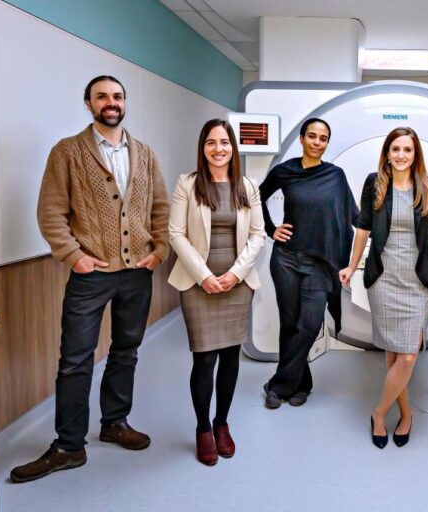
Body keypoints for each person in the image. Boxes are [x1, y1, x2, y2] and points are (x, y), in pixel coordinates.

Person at [11, 75, 169, 482]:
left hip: (137, 272)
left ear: (124, 102)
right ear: (88, 104)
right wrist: (74, 256)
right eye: (102, 96)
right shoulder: (67, 152)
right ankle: (68, 445)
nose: (111, 102)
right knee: (76, 358)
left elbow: (160, 209)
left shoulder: (146, 154)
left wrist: (158, 252)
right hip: (91, 274)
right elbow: (51, 212)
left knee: (126, 350)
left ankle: (115, 421)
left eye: (117, 96)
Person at [340, 127, 428, 449]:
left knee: (407, 355)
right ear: (387, 153)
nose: (401, 155)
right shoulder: (374, 183)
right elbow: (363, 227)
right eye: (396, 149)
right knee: (394, 353)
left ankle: (379, 413)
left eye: (407, 149)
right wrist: (352, 266)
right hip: (384, 277)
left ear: (415, 153)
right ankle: (405, 414)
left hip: (416, 279)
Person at [167, 119, 265, 465]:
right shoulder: (188, 184)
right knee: (204, 357)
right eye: (211, 142)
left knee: (230, 357)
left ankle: (222, 423)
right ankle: (202, 428)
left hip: (236, 283)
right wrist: (205, 275)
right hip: (198, 282)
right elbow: (175, 233)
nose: (218, 149)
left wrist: (236, 274)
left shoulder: (247, 186)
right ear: (203, 147)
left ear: (232, 148)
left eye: (224, 142)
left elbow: (258, 235)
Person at [259, 118, 358, 409]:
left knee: (309, 324)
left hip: (320, 263)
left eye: (323, 138)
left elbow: (354, 215)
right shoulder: (285, 172)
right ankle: (302, 384)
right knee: (290, 324)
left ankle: (277, 385)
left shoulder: (335, 176)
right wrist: (270, 228)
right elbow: (255, 197)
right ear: (302, 139)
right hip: (287, 258)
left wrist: (383, 232)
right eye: (312, 136)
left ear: (327, 142)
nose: (317, 142)